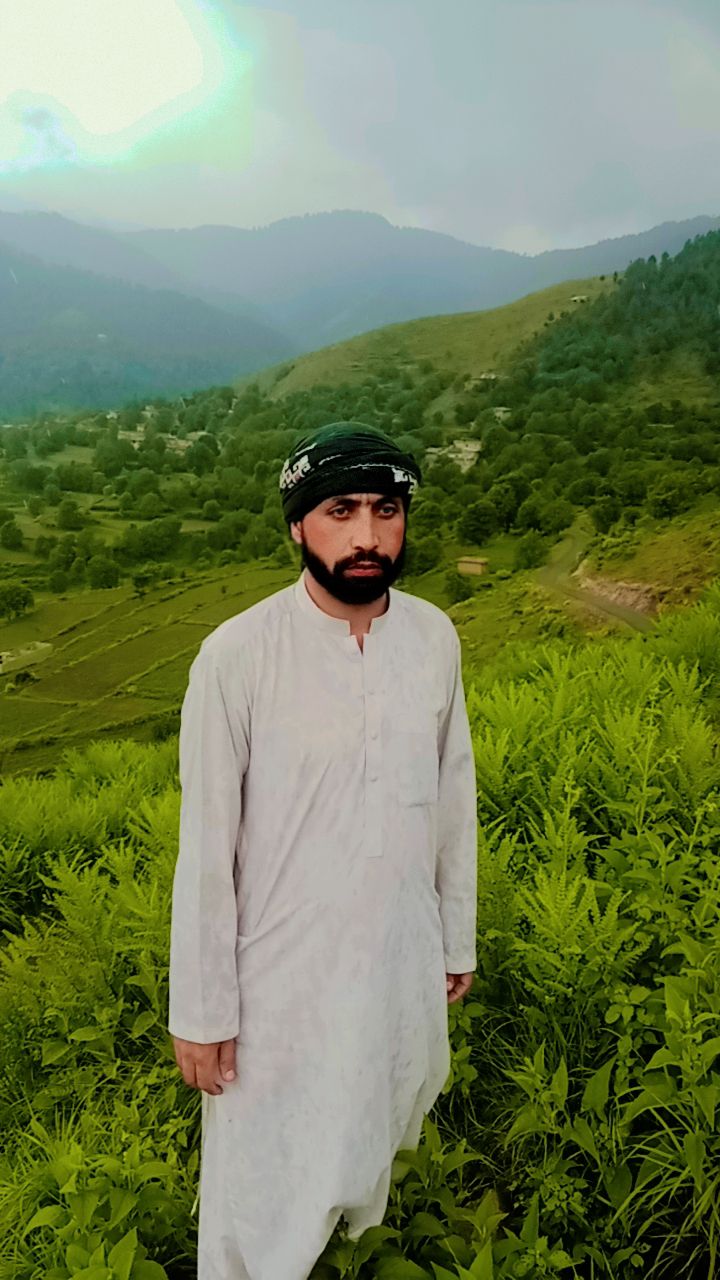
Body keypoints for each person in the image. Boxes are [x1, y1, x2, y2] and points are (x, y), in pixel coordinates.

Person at [168, 420, 478, 1280]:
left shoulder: (434, 638)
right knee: (262, 1183)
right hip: (279, 983)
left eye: (386, 508)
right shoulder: (236, 657)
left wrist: (453, 938)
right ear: (298, 526)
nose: (368, 535)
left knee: (382, 1125)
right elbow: (206, 851)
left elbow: (453, 798)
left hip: (398, 958)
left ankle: (357, 1253)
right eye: (341, 511)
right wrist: (202, 1013)